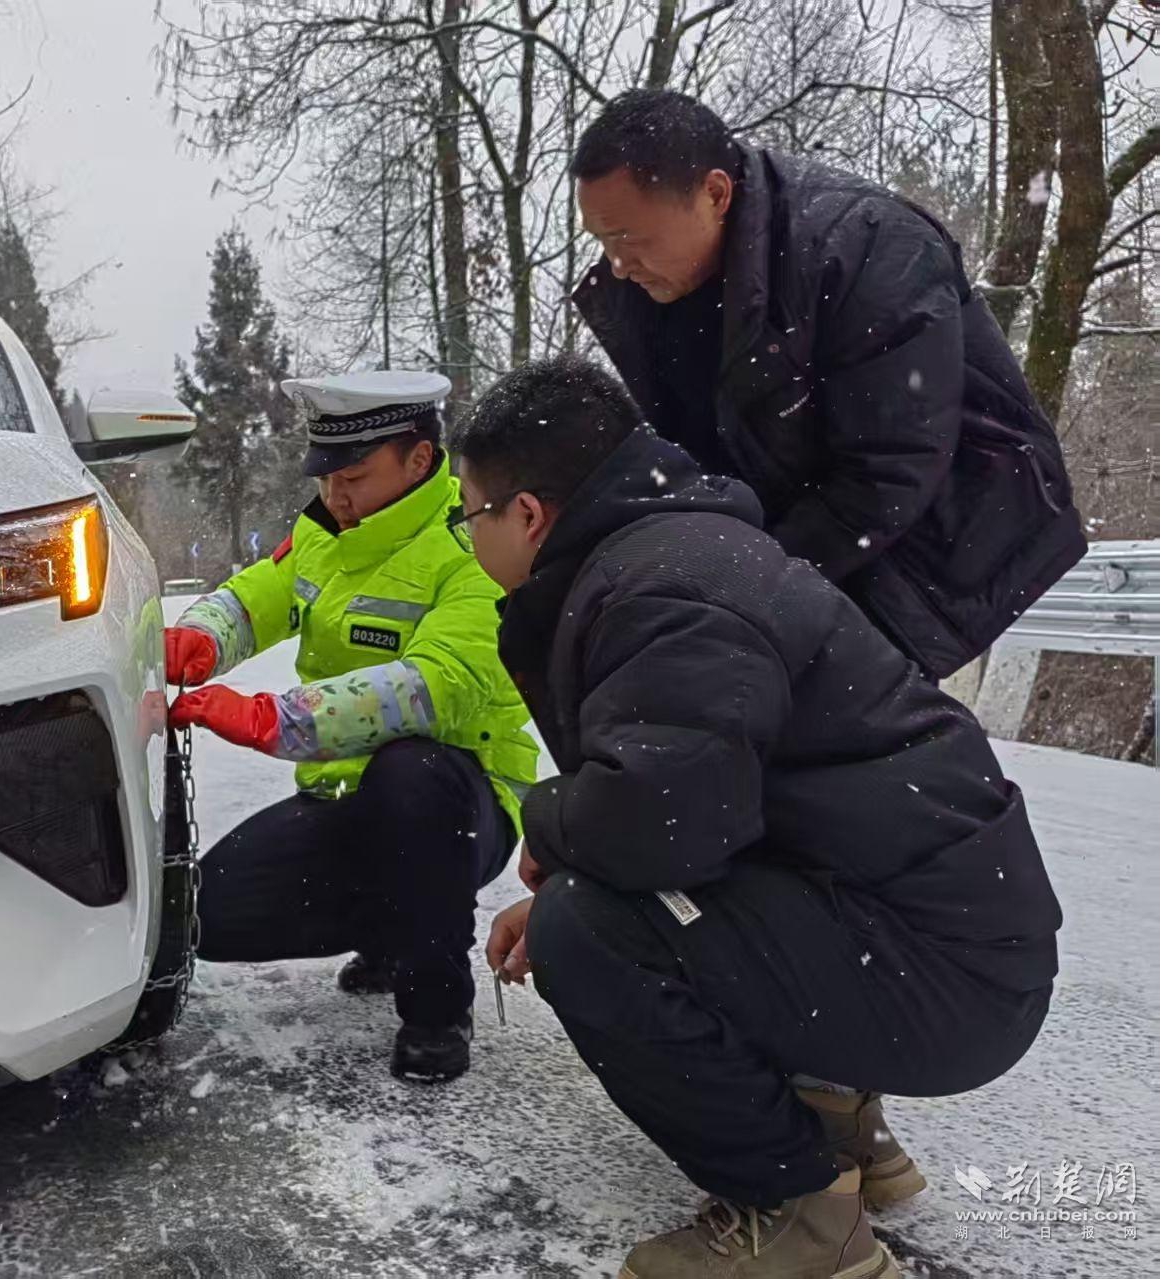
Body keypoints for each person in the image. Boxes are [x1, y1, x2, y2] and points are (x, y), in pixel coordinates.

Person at [456, 356, 1061, 1278]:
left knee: (586, 929)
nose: (469, 537)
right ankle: (843, 1133)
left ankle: (803, 1215)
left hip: (946, 975)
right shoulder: (676, 551)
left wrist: (545, 828)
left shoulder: (661, 589)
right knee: (620, 897)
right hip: (942, 940)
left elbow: (659, 824)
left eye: (471, 515)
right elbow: (705, 810)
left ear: (528, 513)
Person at [568, 89, 1085, 682]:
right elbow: (695, 457)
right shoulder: (657, 289)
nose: (616, 265)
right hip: (809, 536)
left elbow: (891, 469)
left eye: (630, 239)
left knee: (856, 744)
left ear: (714, 194)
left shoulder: (866, 246)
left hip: (934, 540)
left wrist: (747, 581)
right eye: (601, 241)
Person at [166, 370, 538, 1082]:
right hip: (346, 795)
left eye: (356, 476)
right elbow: (254, 596)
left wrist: (272, 719)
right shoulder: (327, 533)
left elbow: (433, 689)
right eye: (328, 476)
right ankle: (394, 924)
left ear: (420, 460)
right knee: (211, 910)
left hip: (463, 803)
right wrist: (203, 638)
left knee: (412, 772)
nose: (336, 494)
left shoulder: (471, 549)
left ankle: (435, 1006)